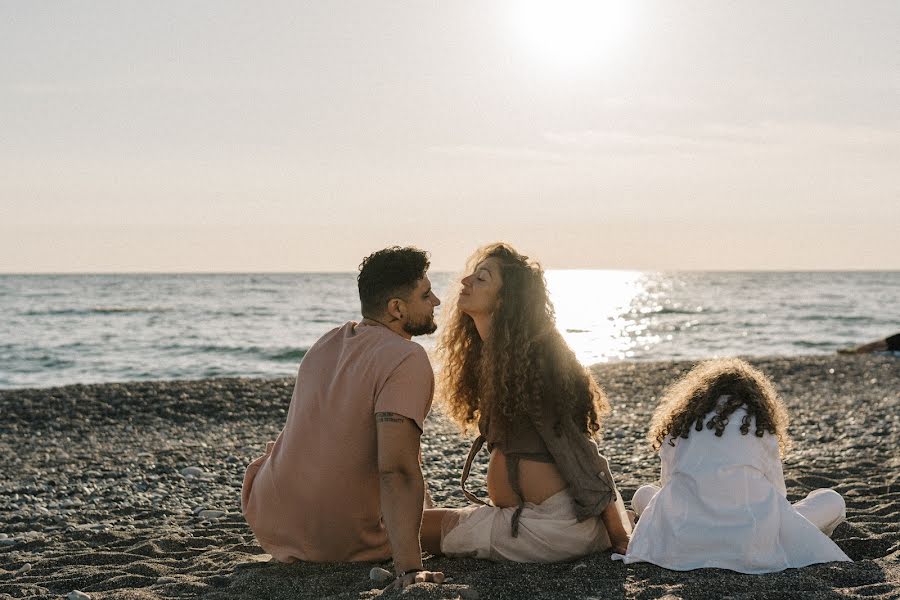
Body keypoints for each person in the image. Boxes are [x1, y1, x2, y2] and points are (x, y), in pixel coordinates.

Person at [241, 246, 444, 590]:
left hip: (271, 518)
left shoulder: (327, 341)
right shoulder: (407, 358)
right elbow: (396, 470)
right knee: (441, 514)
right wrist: (410, 570)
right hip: (337, 539)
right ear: (397, 308)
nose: (436, 301)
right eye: (425, 294)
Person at [420, 243, 631, 562]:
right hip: (534, 522)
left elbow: (581, 451)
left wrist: (621, 538)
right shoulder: (499, 358)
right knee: (412, 524)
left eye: (482, 278)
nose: (465, 282)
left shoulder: (532, 365)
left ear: (504, 300)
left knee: (407, 529)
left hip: (546, 527)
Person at [621, 358, 851, 573]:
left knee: (644, 493)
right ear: (756, 398)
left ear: (698, 396)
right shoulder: (760, 425)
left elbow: (669, 484)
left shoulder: (682, 423)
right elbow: (779, 493)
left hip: (686, 536)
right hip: (751, 539)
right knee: (832, 500)